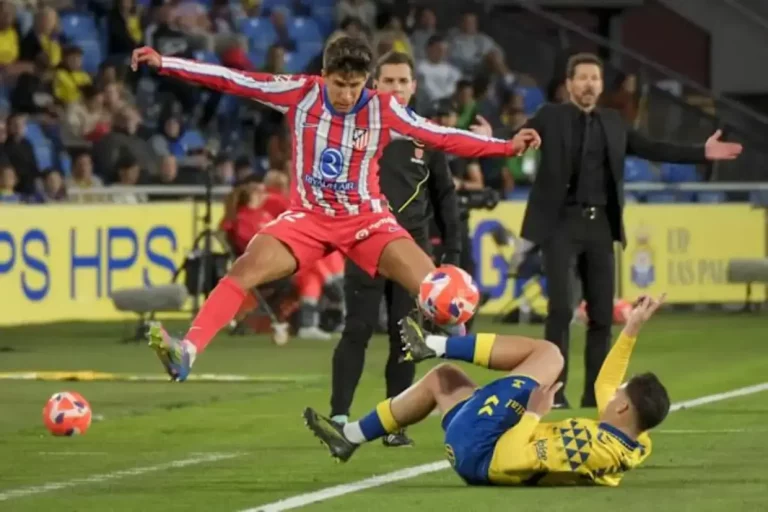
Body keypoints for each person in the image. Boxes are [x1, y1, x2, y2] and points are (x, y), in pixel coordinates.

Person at [131, 39, 541, 382]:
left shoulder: (383, 107)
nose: (347, 94)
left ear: (367, 81)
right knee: (244, 270)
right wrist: (165, 63)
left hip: (367, 220)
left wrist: (506, 147)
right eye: (339, 84)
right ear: (324, 75)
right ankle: (186, 352)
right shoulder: (299, 92)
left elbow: (442, 136)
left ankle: (470, 371)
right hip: (307, 219)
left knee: (439, 291)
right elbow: (233, 80)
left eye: (355, 85)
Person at [519, 52, 742, 408]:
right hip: (560, 224)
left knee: (602, 316)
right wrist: (492, 138)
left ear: (601, 85)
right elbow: (519, 136)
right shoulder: (550, 116)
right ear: (569, 83)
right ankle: (553, 394)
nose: (589, 83)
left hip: (601, 226)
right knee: (560, 309)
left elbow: (655, 148)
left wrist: (702, 152)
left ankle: (595, 394)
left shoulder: (614, 122)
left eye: (595, 78)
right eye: (583, 77)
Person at [304, 294, 670, 487]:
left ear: (622, 410)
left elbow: (510, 461)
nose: (611, 394)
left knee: (549, 354)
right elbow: (605, 383)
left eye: (618, 396)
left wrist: (533, 413)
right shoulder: (635, 438)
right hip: (482, 444)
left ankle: (432, 343)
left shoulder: (586, 449)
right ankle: (348, 436)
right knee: (442, 380)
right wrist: (632, 330)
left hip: (485, 452)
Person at [329, 51, 468, 446]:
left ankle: (394, 422)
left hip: (412, 249)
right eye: (387, 81)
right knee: (355, 329)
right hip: (365, 245)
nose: (395, 88)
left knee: (406, 337)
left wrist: (453, 255)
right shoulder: (354, 130)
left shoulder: (427, 135)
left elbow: (446, 199)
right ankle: (340, 415)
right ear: (375, 86)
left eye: (402, 82)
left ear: (413, 87)